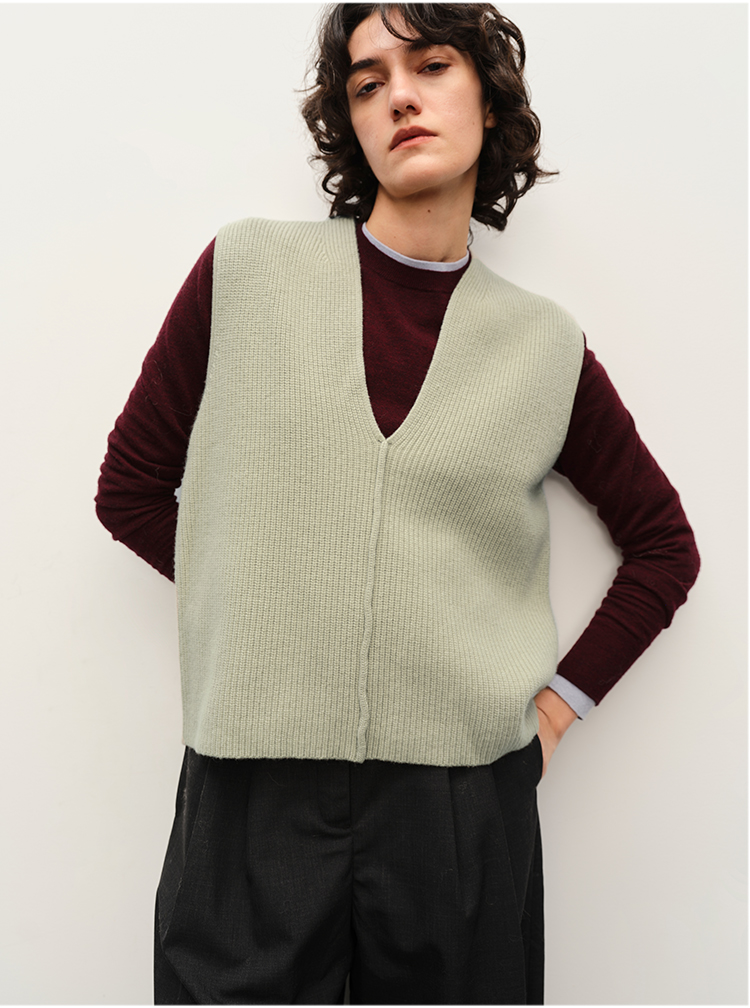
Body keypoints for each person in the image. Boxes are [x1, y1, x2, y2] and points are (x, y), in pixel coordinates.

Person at [95, 3, 700, 1003]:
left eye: (431, 66)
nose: (399, 97)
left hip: (461, 803)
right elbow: (131, 491)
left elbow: (663, 548)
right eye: (368, 83)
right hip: (253, 783)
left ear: (489, 101)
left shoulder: (544, 347)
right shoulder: (246, 272)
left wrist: (555, 712)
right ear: (352, 124)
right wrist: (269, 600)